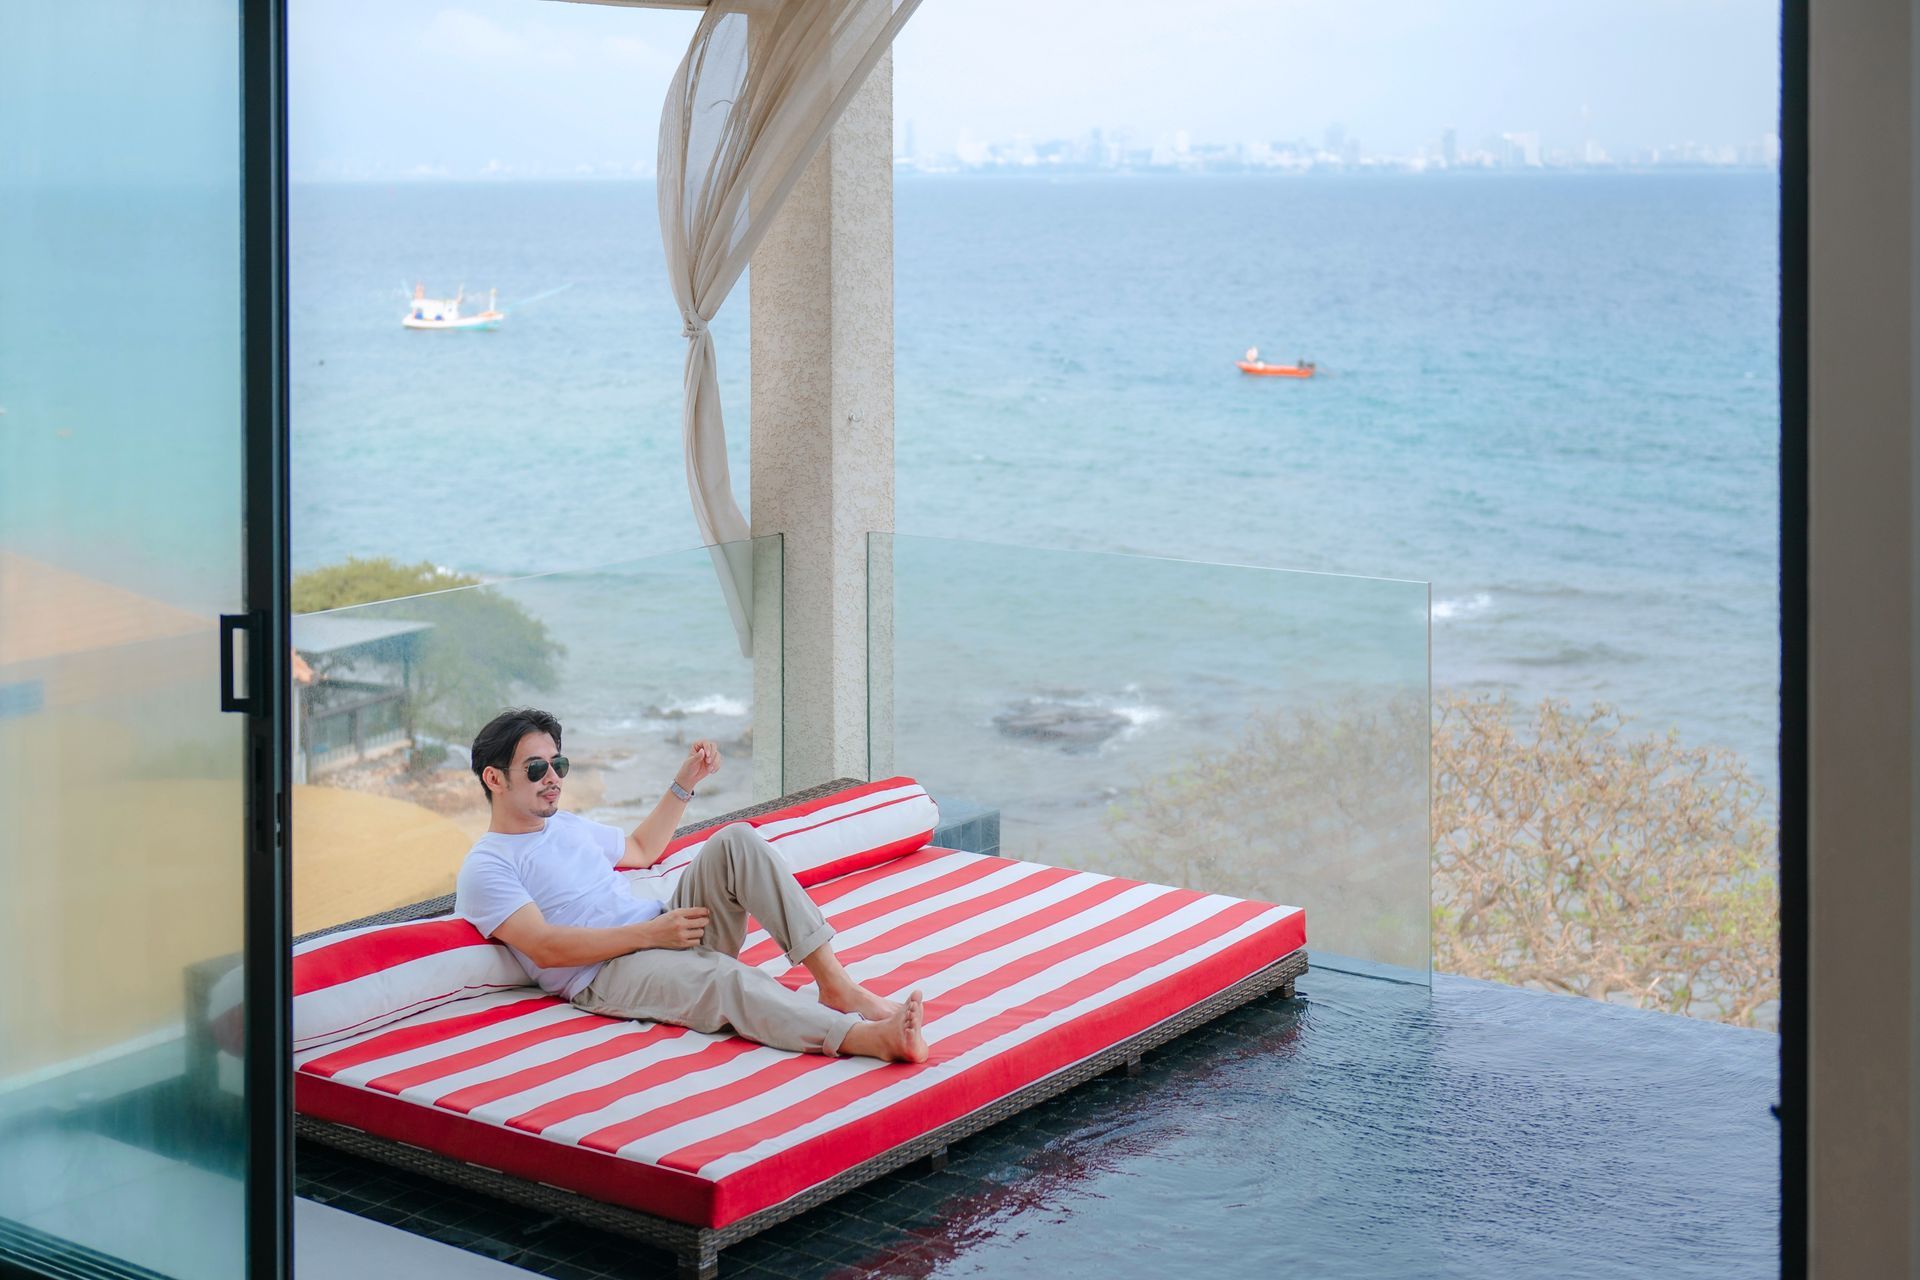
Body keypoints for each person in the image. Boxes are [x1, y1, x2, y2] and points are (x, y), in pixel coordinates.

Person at [453, 707, 928, 1063]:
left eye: (559, 765)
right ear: (494, 778)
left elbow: (640, 849)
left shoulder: (567, 825)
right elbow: (545, 948)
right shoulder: (488, 866)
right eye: (537, 769)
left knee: (736, 840)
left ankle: (836, 985)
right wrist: (650, 936)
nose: (553, 778)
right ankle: (863, 1038)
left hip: (661, 930)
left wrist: (685, 782)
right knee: (724, 978)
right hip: (604, 973)